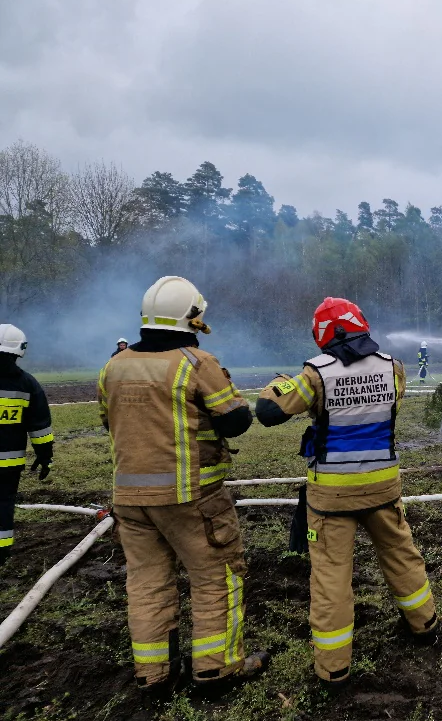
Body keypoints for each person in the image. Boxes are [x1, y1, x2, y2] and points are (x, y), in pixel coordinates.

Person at [255, 297, 439, 689]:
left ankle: (334, 667)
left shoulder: (315, 374)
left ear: (323, 334)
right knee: (401, 555)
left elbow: (268, 412)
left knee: (331, 576)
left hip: (332, 497)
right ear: (360, 324)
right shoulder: (393, 367)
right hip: (383, 487)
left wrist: (279, 383)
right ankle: (425, 624)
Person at [99, 276, 269, 695]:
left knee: (147, 583)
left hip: (130, 500)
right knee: (216, 577)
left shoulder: (114, 366)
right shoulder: (196, 363)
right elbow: (236, 420)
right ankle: (216, 671)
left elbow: (108, 421)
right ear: (192, 318)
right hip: (191, 499)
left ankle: (153, 675)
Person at [0, 324, 53, 567]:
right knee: (3, 503)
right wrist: (45, 456)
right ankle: (1, 552)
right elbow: (40, 427)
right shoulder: (27, 384)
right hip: (8, 464)